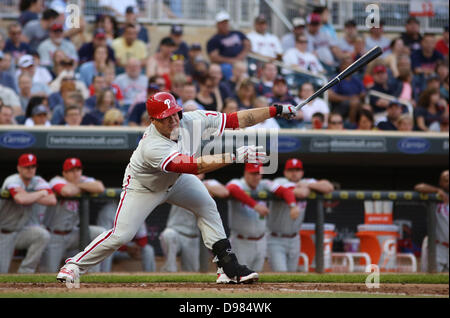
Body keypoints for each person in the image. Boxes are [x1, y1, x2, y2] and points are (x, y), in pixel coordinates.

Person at [56, 91, 297, 284]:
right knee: (122, 234)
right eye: (166, 117)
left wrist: (275, 110)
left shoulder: (192, 119)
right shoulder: (152, 145)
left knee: (207, 206)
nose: (173, 120)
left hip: (178, 180)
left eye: (175, 114)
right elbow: (195, 166)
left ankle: (227, 267)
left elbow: (237, 120)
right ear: (153, 120)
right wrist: (234, 155)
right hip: (145, 186)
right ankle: (74, 265)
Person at [226, 162, 299, 272]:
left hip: (261, 240)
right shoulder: (238, 183)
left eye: (258, 173)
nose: (256, 177)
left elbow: (285, 191)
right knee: (240, 277)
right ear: (246, 173)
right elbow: (232, 189)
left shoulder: (264, 184)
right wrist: (255, 205)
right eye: (253, 173)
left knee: (256, 278)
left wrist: (292, 206)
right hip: (241, 241)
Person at [39, 158, 107, 273]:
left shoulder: (83, 180)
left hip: (73, 233)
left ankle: (94, 274)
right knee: (48, 272)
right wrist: (84, 187)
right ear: (64, 173)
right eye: (71, 171)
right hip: (55, 235)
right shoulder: (56, 180)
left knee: (100, 233)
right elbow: (67, 191)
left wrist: (78, 185)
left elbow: (99, 187)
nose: (76, 173)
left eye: (78, 170)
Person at [267, 158, 334, 272]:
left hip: (295, 239)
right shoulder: (280, 181)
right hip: (276, 239)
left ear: (302, 172)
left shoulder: (305, 182)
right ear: (285, 172)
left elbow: (329, 187)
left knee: (292, 275)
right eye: (291, 170)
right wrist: (309, 187)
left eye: (297, 170)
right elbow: (302, 193)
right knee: (281, 274)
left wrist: (308, 184)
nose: (294, 173)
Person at [159, 174, 229, 272]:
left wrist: (201, 185)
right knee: (168, 235)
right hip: (175, 231)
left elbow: (224, 192)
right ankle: (170, 268)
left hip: (192, 237)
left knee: (191, 271)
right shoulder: (179, 179)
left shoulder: (207, 183)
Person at [0, 153, 56, 273]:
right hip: (4, 232)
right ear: (19, 168)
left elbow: (52, 200)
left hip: (21, 231)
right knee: (2, 272)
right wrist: (40, 193)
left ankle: (25, 271)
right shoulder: (12, 180)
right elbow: (21, 200)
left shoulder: (37, 180)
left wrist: (28, 195)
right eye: (26, 167)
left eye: (32, 167)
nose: (30, 170)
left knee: (42, 235)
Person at [415, 170, 449, 272]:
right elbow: (419, 187)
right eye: (446, 180)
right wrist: (436, 191)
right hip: (438, 247)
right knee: (431, 279)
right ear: (441, 183)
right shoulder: (435, 198)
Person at [207, 11, 251, 81]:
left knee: (251, 65)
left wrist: (240, 57)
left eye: (226, 22)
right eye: (222, 23)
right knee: (226, 68)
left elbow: (248, 45)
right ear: (217, 24)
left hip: (243, 60)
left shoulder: (237, 33)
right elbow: (214, 57)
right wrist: (232, 61)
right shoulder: (214, 40)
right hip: (227, 64)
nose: (225, 24)